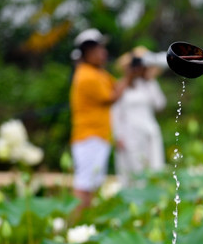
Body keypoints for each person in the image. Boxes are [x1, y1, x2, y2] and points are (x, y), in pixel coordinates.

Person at [69, 29, 134, 210]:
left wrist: (130, 75)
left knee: (92, 183)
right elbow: (112, 97)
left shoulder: (97, 73)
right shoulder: (86, 76)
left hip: (98, 135)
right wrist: (129, 76)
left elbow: (116, 85)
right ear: (88, 52)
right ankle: (75, 224)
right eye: (99, 50)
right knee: (84, 185)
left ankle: (84, 221)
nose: (104, 53)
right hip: (89, 136)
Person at [112, 47, 167, 187]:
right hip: (130, 133)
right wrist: (117, 135)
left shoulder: (148, 84)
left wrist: (150, 80)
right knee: (134, 170)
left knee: (154, 167)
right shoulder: (121, 86)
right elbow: (115, 112)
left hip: (149, 130)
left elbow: (160, 104)